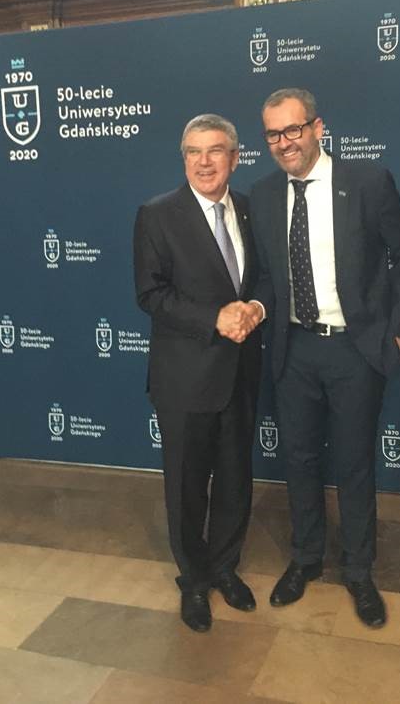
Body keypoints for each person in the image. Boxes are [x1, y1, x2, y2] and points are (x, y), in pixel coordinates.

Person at [248, 88, 400, 628]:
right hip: (293, 348)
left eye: (293, 129)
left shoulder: (367, 182)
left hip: (355, 348)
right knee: (299, 459)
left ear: (317, 128)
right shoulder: (261, 195)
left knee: (353, 463)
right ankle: (305, 559)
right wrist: (256, 307)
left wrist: (396, 333)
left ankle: (358, 571)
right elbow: (265, 275)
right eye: (273, 134)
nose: (285, 142)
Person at [134, 114, 262, 633]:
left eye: (215, 151)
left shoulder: (250, 210)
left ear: (235, 157)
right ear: (184, 158)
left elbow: (265, 279)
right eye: (193, 152)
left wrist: (255, 308)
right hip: (185, 378)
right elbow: (151, 294)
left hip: (241, 373)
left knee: (235, 480)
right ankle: (193, 580)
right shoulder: (157, 214)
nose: (203, 162)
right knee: (187, 486)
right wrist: (215, 318)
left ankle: (225, 568)